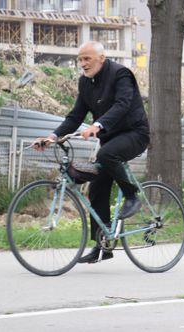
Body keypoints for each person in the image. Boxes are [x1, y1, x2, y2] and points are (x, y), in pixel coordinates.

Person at [33, 41, 150, 263]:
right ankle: (102, 245)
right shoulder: (85, 83)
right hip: (112, 138)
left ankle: (132, 196)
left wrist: (98, 125)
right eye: (80, 59)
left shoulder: (120, 74)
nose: (82, 64)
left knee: (106, 155)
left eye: (87, 59)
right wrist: (52, 137)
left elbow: (123, 104)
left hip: (135, 133)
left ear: (101, 58)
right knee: (96, 188)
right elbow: (75, 116)